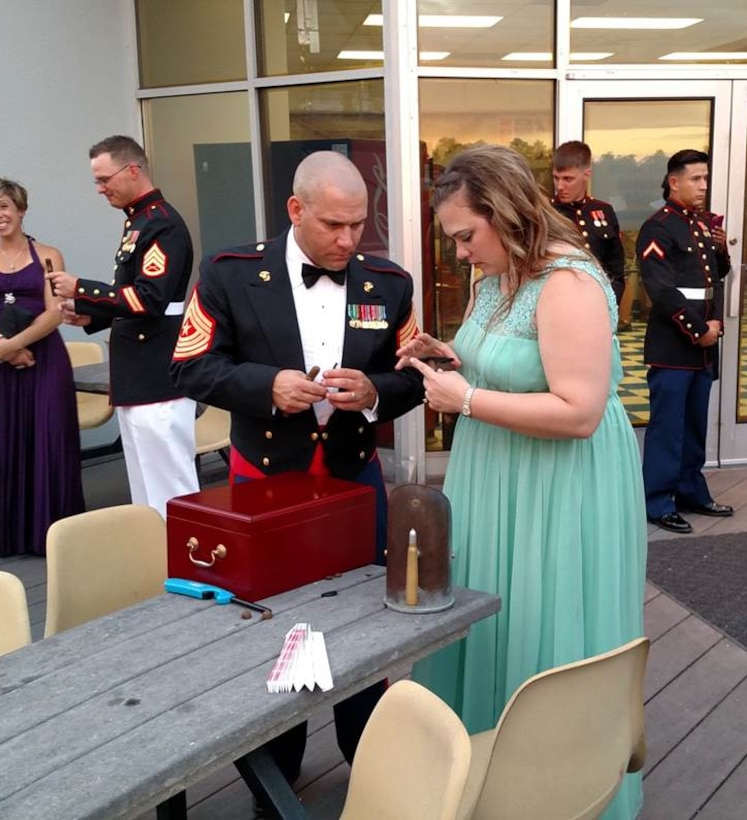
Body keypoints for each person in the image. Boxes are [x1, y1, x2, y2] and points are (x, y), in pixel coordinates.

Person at [398, 144, 646, 819]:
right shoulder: (493, 275)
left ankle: (549, 791)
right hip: (497, 473)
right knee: (491, 620)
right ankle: (480, 781)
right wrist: (447, 358)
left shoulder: (567, 283)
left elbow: (578, 412)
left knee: (544, 620)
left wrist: (466, 400)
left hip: (558, 483)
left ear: (504, 213)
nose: (459, 253)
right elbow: (504, 363)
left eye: (464, 236)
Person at [170, 150, 424, 795]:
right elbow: (190, 367)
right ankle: (271, 780)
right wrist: (264, 386)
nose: (347, 241)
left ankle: (368, 764)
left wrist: (373, 392)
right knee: (269, 626)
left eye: (357, 226)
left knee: (367, 624)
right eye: (332, 226)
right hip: (264, 486)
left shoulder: (390, 283)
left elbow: (413, 377)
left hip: (354, 480)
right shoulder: (228, 273)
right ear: (295, 210)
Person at [48, 136, 198, 518]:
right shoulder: (139, 221)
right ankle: (152, 564)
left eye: (104, 179)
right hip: (138, 373)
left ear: (133, 170)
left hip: (158, 372)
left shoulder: (161, 224)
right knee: (145, 493)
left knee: (170, 491)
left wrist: (81, 288)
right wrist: (91, 314)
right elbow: (130, 296)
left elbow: (150, 298)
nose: (100, 189)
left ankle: (185, 568)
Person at [0, 177, 85, 558]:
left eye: (3, 206)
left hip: (45, 359)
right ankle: (12, 535)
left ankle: (53, 535)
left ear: (20, 209)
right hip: (2, 362)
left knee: (50, 438)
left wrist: (16, 344)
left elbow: (55, 313)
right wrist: (1, 346)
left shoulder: (49, 254)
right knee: (8, 439)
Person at [638, 149, 733, 534]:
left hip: (704, 343)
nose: (703, 185)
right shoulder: (658, 227)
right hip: (674, 343)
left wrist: (722, 248)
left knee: (695, 424)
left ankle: (692, 491)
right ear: (674, 182)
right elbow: (661, 290)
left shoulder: (701, 224)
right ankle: (658, 501)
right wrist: (699, 330)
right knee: (668, 426)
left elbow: (715, 274)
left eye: (706, 178)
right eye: (696, 178)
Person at [551, 140, 626, 306]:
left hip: (597, 302)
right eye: (556, 178)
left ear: (587, 174)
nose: (560, 186)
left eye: (568, 179)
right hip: (555, 301)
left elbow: (615, 267)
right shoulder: (545, 212)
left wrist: (609, 305)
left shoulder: (603, 211)